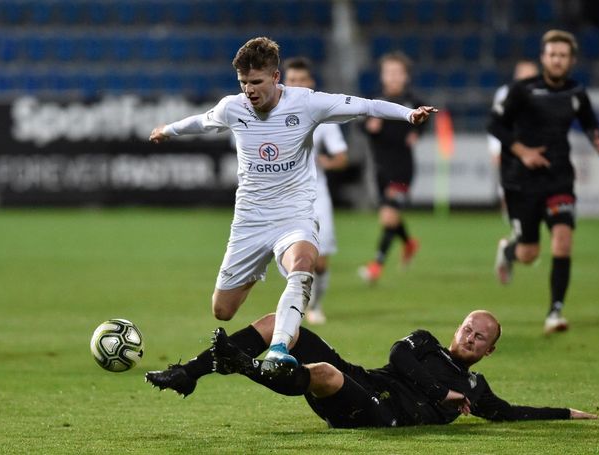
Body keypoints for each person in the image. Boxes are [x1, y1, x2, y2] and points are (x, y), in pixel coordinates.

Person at [149, 37, 437, 372]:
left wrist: (408, 114)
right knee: (222, 310)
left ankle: (279, 348)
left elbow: (367, 106)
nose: (249, 91)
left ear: (275, 76)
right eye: (243, 83)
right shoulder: (233, 107)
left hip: (293, 214)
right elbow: (201, 121)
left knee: (303, 266)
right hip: (250, 220)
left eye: (255, 82)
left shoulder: (306, 103)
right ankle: (261, 272)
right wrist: (167, 130)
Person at [145, 310, 598, 428]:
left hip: (383, 415)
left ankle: (242, 365)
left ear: (489, 351)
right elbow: (398, 357)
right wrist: (441, 394)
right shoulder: (423, 343)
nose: (469, 337)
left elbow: (510, 413)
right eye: (467, 328)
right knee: (281, 326)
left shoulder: (476, 389)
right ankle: (190, 372)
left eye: (480, 338)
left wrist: (566, 414)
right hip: (367, 381)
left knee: (322, 372)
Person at [487, 30, 599, 335]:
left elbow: (590, 119)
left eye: (563, 55)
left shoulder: (576, 92)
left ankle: (555, 312)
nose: (557, 60)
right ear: (544, 58)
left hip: (558, 178)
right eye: (552, 54)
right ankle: (509, 251)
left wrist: (597, 139)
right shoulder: (523, 90)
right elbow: (495, 125)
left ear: (571, 60)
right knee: (529, 254)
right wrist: (523, 151)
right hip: (520, 180)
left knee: (563, 240)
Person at [283, 56, 349, 325]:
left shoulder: (323, 116)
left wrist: (326, 161)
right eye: (292, 80)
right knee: (295, 259)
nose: (297, 85)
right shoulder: (269, 113)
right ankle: (295, 308)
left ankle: (316, 305)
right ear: (283, 82)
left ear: (310, 83)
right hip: (283, 196)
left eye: (302, 80)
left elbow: (342, 157)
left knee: (320, 262)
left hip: (316, 194)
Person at [358, 52, 428, 284]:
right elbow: (359, 124)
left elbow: (426, 121)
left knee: (388, 218)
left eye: (398, 73)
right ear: (382, 75)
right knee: (391, 216)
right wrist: (370, 127)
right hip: (380, 168)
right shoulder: (374, 100)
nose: (393, 77)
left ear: (406, 76)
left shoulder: (413, 101)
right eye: (389, 72)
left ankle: (376, 266)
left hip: (402, 168)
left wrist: (417, 132)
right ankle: (409, 243)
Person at [487, 60, 540, 219]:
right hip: (510, 148)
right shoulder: (505, 93)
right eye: (525, 74)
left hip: (534, 149)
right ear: (517, 76)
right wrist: (495, 149)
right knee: (509, 190)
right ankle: (512, 225)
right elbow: (495, 123)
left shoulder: (542, 94)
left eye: (532, 75)